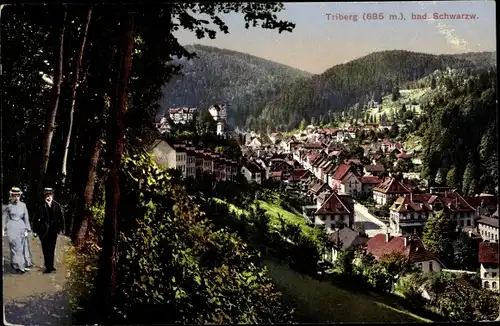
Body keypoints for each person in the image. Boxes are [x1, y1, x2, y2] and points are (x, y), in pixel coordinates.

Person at [33, 187, 65, 274]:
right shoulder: (40, 206)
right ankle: (47, 267)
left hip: (54, 230)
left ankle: (51, 266)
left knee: (52, 248)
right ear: (44, 196)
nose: (48, 197)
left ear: (52, 195)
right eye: (47, 195)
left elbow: (61, 218)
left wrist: (62, 229)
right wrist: (35, 231)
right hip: (44, 231)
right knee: (45, 249)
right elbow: (35, 218)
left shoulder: (56, 205)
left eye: (50, 195)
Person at [2, 186, 33, 274]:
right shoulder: (9, 206)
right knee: (15, 247)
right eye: (14, 196)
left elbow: (26, 217)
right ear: (11, 196)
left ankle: (20, 264)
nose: (16, 198)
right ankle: (18, 266)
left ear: (20, 196)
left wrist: (27, 229)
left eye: (17, 196)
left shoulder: (23, 205)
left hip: (21, 226)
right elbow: (4, 218)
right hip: (12, 227)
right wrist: (3, 229)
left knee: (22, 247)